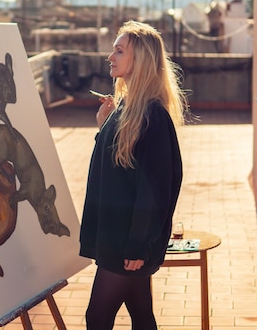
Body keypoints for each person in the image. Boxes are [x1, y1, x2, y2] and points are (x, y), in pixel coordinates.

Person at [79, 20, 186, 330]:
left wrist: (138, 246)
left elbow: (154, 189)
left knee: (97, 317)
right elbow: (116, 165)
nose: (110, 56)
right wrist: (104, 126)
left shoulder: (153, 116)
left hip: (127, 241)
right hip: (118, 234)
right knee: (141, 315)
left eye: (119, 50)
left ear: (140, 60)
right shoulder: (127, 108)